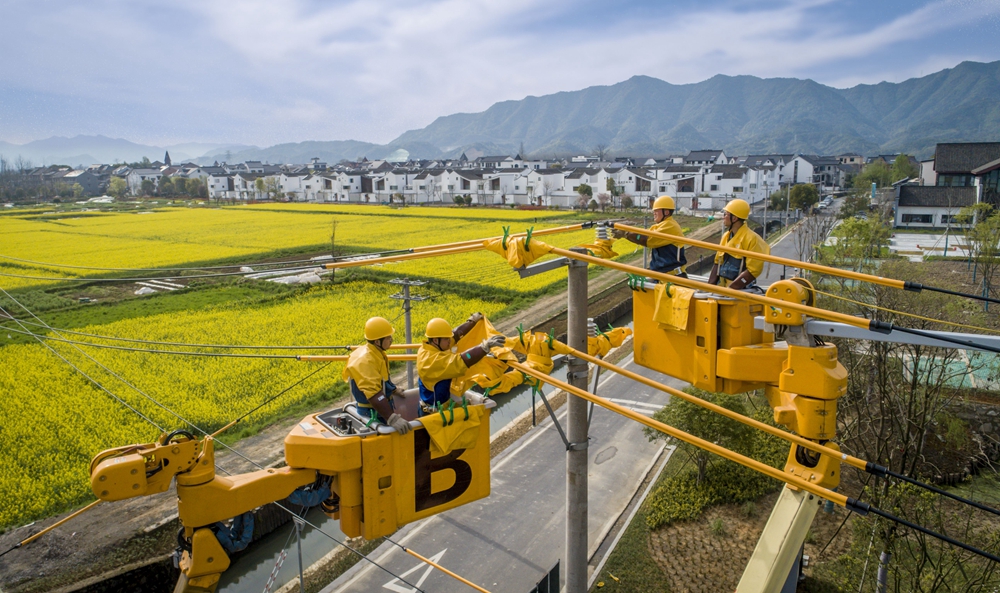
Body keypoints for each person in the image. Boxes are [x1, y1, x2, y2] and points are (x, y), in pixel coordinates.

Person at [417, 312, 506, 416]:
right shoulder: (431, 361)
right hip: (432, 414)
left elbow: (455, 335)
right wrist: (484, 347)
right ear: (436, 340)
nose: (450, 341)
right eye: (446, 339)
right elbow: (461, 361)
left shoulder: (429, 348)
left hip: (439, 406)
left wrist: (472, 321)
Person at [343, 316, 411, 434]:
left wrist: (393, 389)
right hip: (372, 412)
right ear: (377, 341)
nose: (391, 340)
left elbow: (381, 379)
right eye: (388, 337)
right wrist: (391, 417)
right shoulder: (366, 361)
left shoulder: (376, 353)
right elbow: (374, 394)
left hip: (377, 409)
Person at [612, 195, 688, 277]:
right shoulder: (659, 226)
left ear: (666, 212)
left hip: (674, 277)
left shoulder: (670, 226)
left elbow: (648, 239)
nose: (653, 213)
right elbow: (644, 234)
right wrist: (627, 231)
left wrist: (626, 233)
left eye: (656, 210)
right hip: (662, 276)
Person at [707, 199, 770, 290]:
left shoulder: (752, 239)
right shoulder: (726, 236)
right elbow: (717, 262)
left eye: (726, 214)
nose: (723, 217)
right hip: (723, 286)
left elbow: (753, 271)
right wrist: (709, 288)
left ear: (734, 218)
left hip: (740, 289)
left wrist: (731, 290)